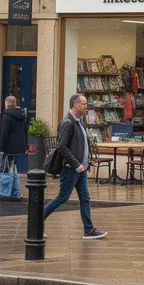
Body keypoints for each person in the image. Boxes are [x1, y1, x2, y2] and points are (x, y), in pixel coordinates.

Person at [43, 94, 106, 240]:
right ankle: (37, 220)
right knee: (62, 198)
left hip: (80, 169)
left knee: (85, 198)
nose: (86, 106)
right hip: (71, 168)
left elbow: (82, 144)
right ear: (76, 105)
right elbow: (62, 147)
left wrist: (84, 163)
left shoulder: (79, 122)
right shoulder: (68, 122)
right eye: (84, 104)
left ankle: (89, 230)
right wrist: (76, 164)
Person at [0, 95, 28, 174]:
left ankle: (6, 186)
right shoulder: (21, 115)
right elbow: (25, 131)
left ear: (6, 103)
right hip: (20, 146)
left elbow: (4, 134)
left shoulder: (6, 116)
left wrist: (2, 149)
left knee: (5, 170)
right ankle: (15, 186)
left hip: (9, 147)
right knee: (13, 167)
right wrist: (26, 146)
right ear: (15, 104)